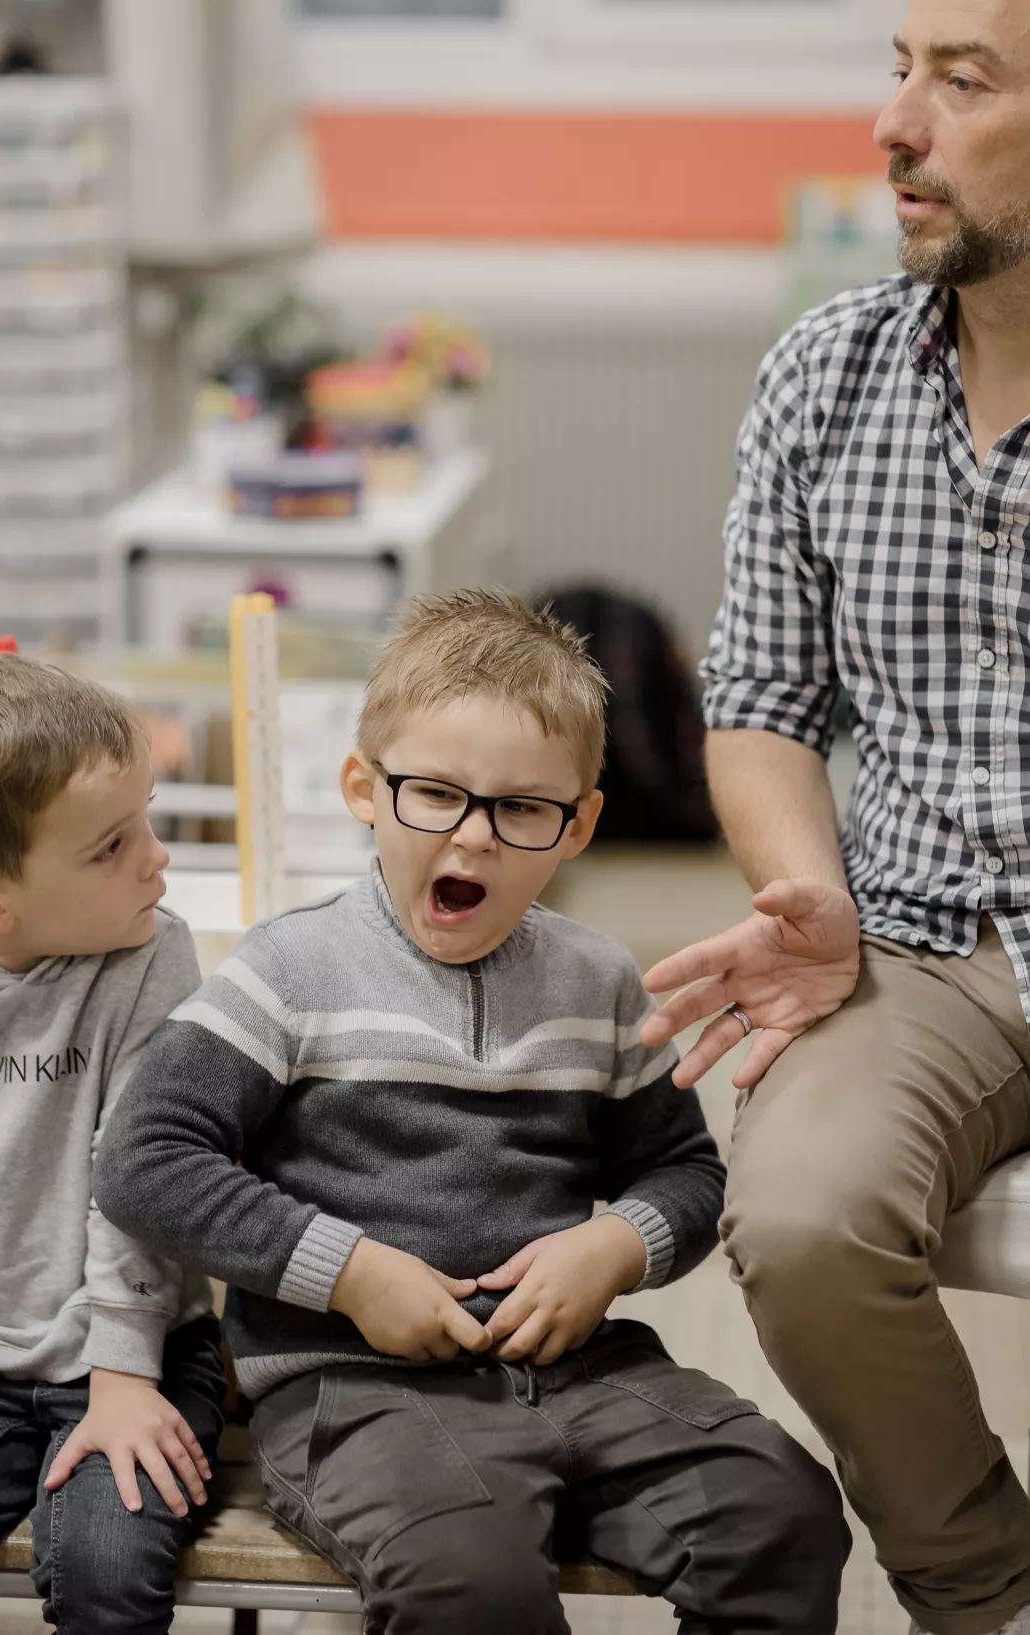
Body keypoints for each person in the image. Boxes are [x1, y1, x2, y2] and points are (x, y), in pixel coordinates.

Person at [94, 589, 848, 1635]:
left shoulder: (598, 980)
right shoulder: (291, 969)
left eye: (521, 808)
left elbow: (685, 1174)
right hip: (352, 1391)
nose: (474, 837)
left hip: (583, 1371)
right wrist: (352, 1273)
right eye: (435, 794)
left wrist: (616, 1249)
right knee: (469, 1580)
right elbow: (144, 1158)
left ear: (578, 822)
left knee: (782, 1512)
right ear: (364, 787)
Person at [634, 4, 1030, 1633]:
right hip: (924, 939)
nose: (894, 125)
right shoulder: (832, 369)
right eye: (896, 69)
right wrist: (811, 892)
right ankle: (984, 1587)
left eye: (963, 79)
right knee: (794, 1222)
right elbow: (764, 710)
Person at [0, 653, 224, 1635]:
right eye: (110, 847)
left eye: (146, 820)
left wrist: (120, 1374)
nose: (157, 859)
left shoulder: (151, 951)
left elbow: (140, 1177)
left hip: (138, 1343)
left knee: (109, 1572)